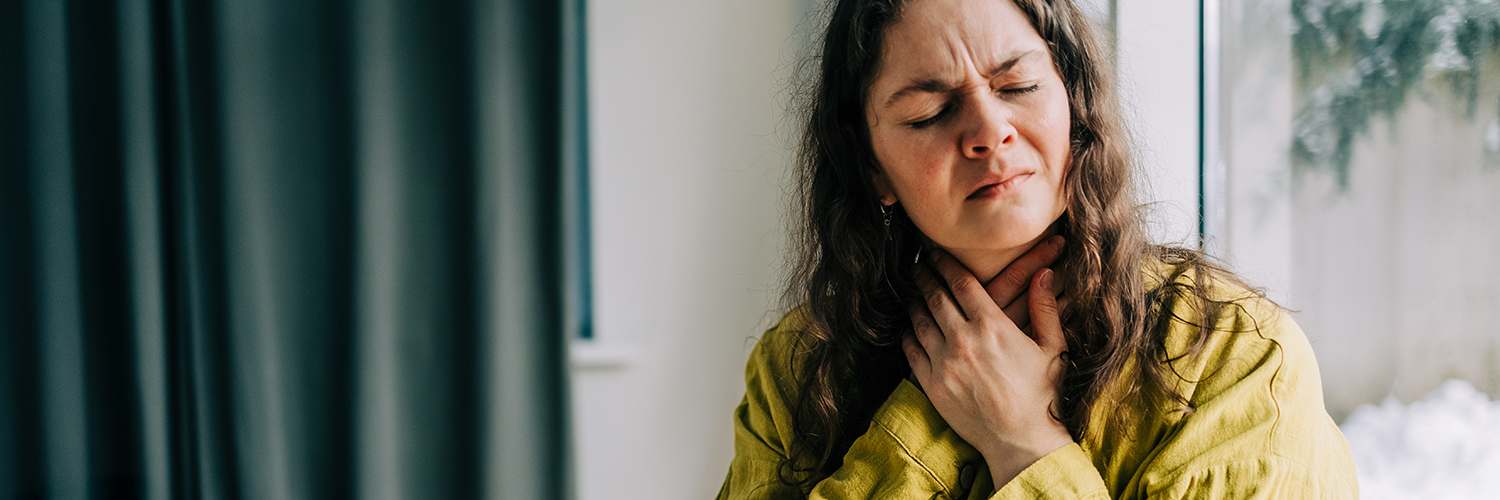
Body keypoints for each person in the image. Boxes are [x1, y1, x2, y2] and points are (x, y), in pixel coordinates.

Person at [715, 0, 1359, 498]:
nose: (990, 132)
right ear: (872, 167)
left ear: (1074, 107)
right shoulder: (800, 366)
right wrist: (922, 423)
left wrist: (1025, 446)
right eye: (929, 112)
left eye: (1018, 87)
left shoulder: (1232, 352)